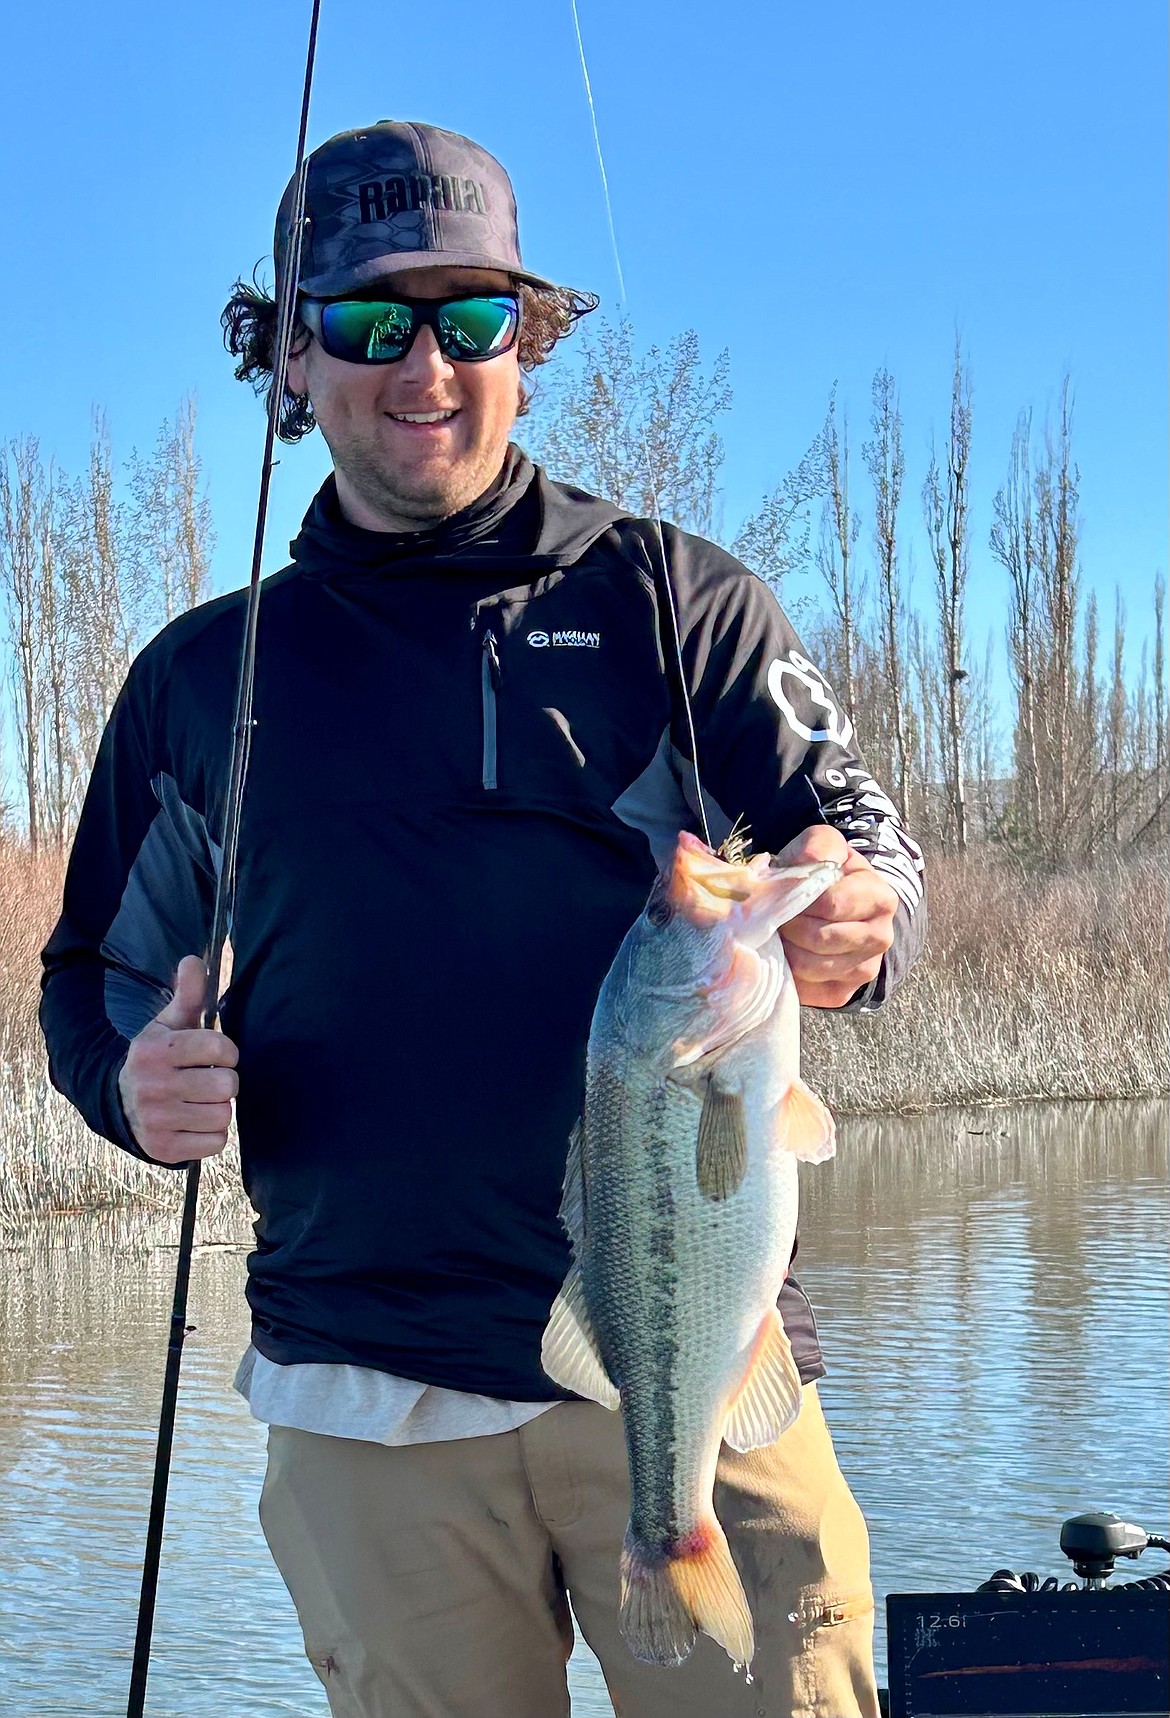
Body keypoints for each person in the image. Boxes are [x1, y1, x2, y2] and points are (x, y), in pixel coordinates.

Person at [40, 120, 926, 1718]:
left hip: (699, 1371)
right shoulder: (200, 678)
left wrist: (857, 918)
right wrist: (132, 1084)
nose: (425, 363)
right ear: (291, 360)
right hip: (363, 1396)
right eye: (370, 323)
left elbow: (861, 845)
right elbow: (91, 977)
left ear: (530, 342)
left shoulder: (676, 600)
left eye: (472, 317)